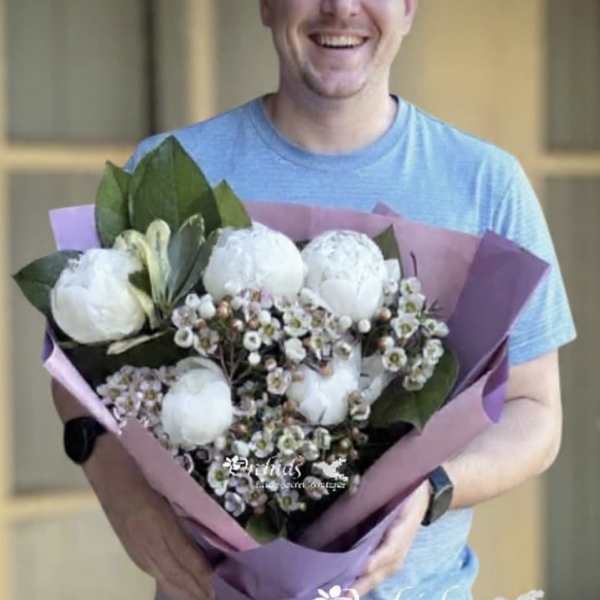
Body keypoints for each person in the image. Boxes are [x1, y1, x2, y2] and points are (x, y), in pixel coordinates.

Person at [52, 1, 577, 599]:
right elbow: (81, 373)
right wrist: (121, 492)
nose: (341, 7)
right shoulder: (172, 168)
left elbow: (534, 411)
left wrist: (433, 488)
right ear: (267, 4)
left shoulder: (486, 183)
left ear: (409, 7)